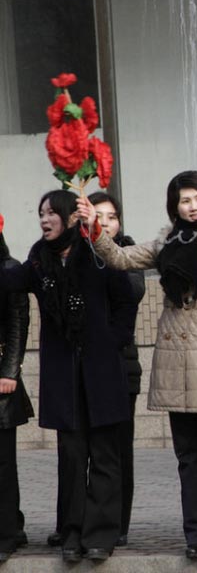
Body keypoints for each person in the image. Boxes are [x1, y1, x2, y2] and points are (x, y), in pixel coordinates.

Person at [75, 171, 197, 560]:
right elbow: (121, 258)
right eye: (184, 200)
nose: (193, 206)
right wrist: (95, 227)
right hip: (172, 351)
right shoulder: (165, 242)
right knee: (186, 455)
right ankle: (195, 533)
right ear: (174, 206)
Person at [0, 190, 136, 563]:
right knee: (72, 455)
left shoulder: (95, 252)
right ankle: (72, 532)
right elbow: (10, 278)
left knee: (105, 454)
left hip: (101, 368)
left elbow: (127, 298)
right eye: (41, 213)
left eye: (51, 213)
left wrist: (114, 340)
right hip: (63, 372)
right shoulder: (39, 259)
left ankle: (101, 534)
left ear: (69, 216)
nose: (44, 219)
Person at [87, 191, 146, 547]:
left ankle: (118, 522)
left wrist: (106, 251)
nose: (104, 222)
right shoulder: (74, 252)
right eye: (97, 216)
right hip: (82, 366)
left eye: (110, 217)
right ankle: (84, 519)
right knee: (85, 450)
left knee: (119, 449)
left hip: (122, 366)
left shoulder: (128, 253)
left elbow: (134, 290)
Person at [0, 229, 32, 562]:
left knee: (3, 462)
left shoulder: (9, 269)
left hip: (0, 375)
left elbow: (18, 322)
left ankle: (8, 531)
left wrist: (10, 370)